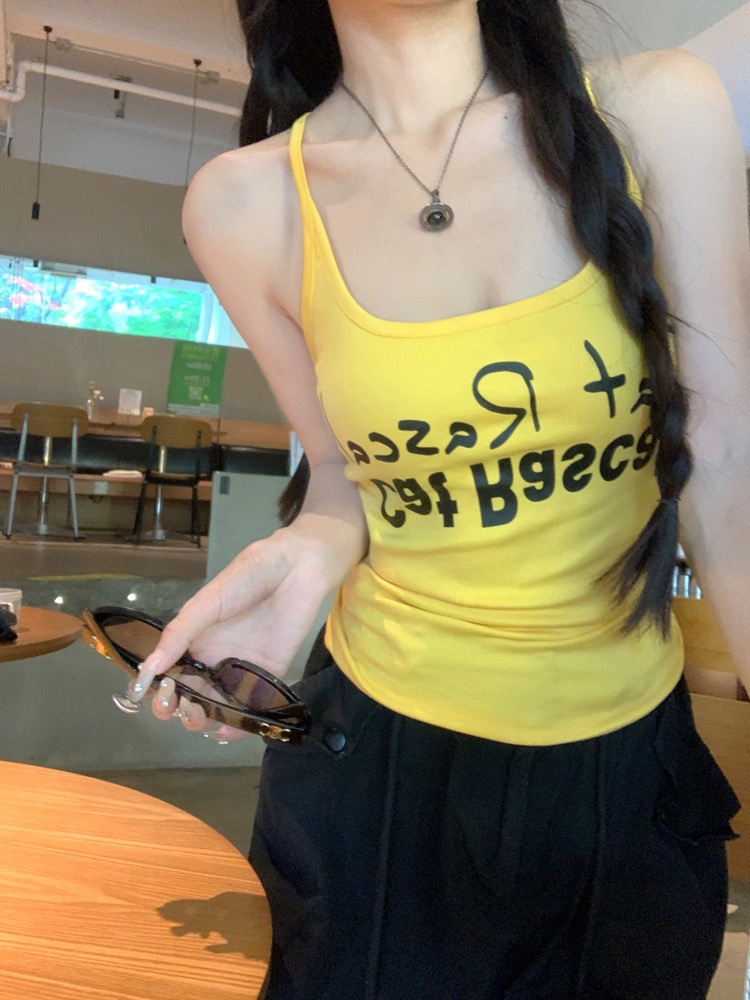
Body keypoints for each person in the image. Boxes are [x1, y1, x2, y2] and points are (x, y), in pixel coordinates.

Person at [126, 1, 750, 997]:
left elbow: (725, 456)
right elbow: (342, 469)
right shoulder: (243, 204)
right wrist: (314, 545)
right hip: (376, 779)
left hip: (628, 772)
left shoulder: (656, 111)